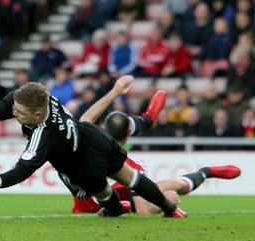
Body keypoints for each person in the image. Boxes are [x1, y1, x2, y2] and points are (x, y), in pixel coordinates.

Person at [0, 76, 185, 217]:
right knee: (130, 177)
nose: (14, 112)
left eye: (20, 112)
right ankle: (169, 208)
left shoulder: (44, 133)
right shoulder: (36, 96)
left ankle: (120, 209)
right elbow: (1, 109)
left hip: (82, 166)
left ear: (38, 114)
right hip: (91, 136)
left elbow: (25, 168)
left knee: (106, 195)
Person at [71, 84, 241, 215]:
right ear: (128, 135)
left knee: (169, 186)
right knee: (172, 187)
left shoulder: (87, 140)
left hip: (120, 203)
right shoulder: (130, 165)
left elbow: (86, 118)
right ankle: (204, 172)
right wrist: (161, 205)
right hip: (111, 203)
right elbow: (146, 210)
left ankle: (206, 172)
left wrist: (115, 91)